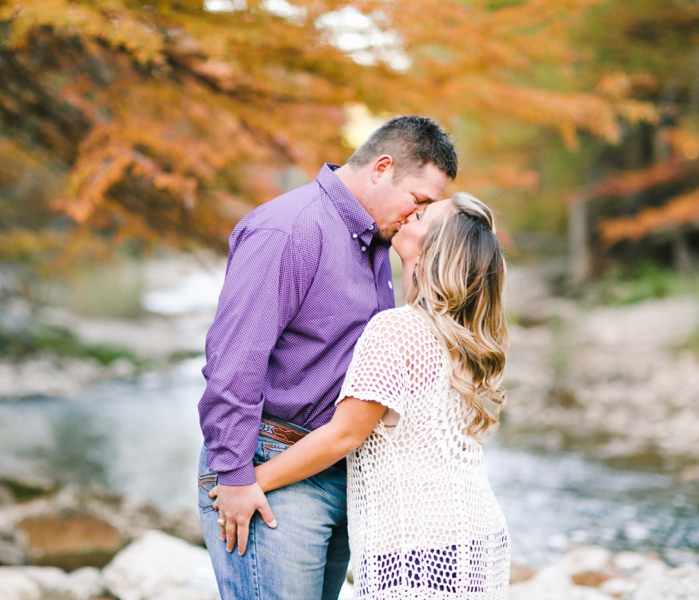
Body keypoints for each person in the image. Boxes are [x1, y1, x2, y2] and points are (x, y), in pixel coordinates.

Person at [197, 115, 459, 599]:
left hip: (337, 469)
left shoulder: (377, 242)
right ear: (382, 168)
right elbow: (235, 361)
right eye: (418, 201)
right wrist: (234, 477)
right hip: (267, 468)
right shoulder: (289, 229)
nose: (416, 216)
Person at [215, 193, 511, 599]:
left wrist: (247, 483)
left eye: (421, 215)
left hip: (416, 549)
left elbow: (345, 435)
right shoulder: (466, 339)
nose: (407, 214)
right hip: (476, 537)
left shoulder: (396, 330)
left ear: (434, 250)